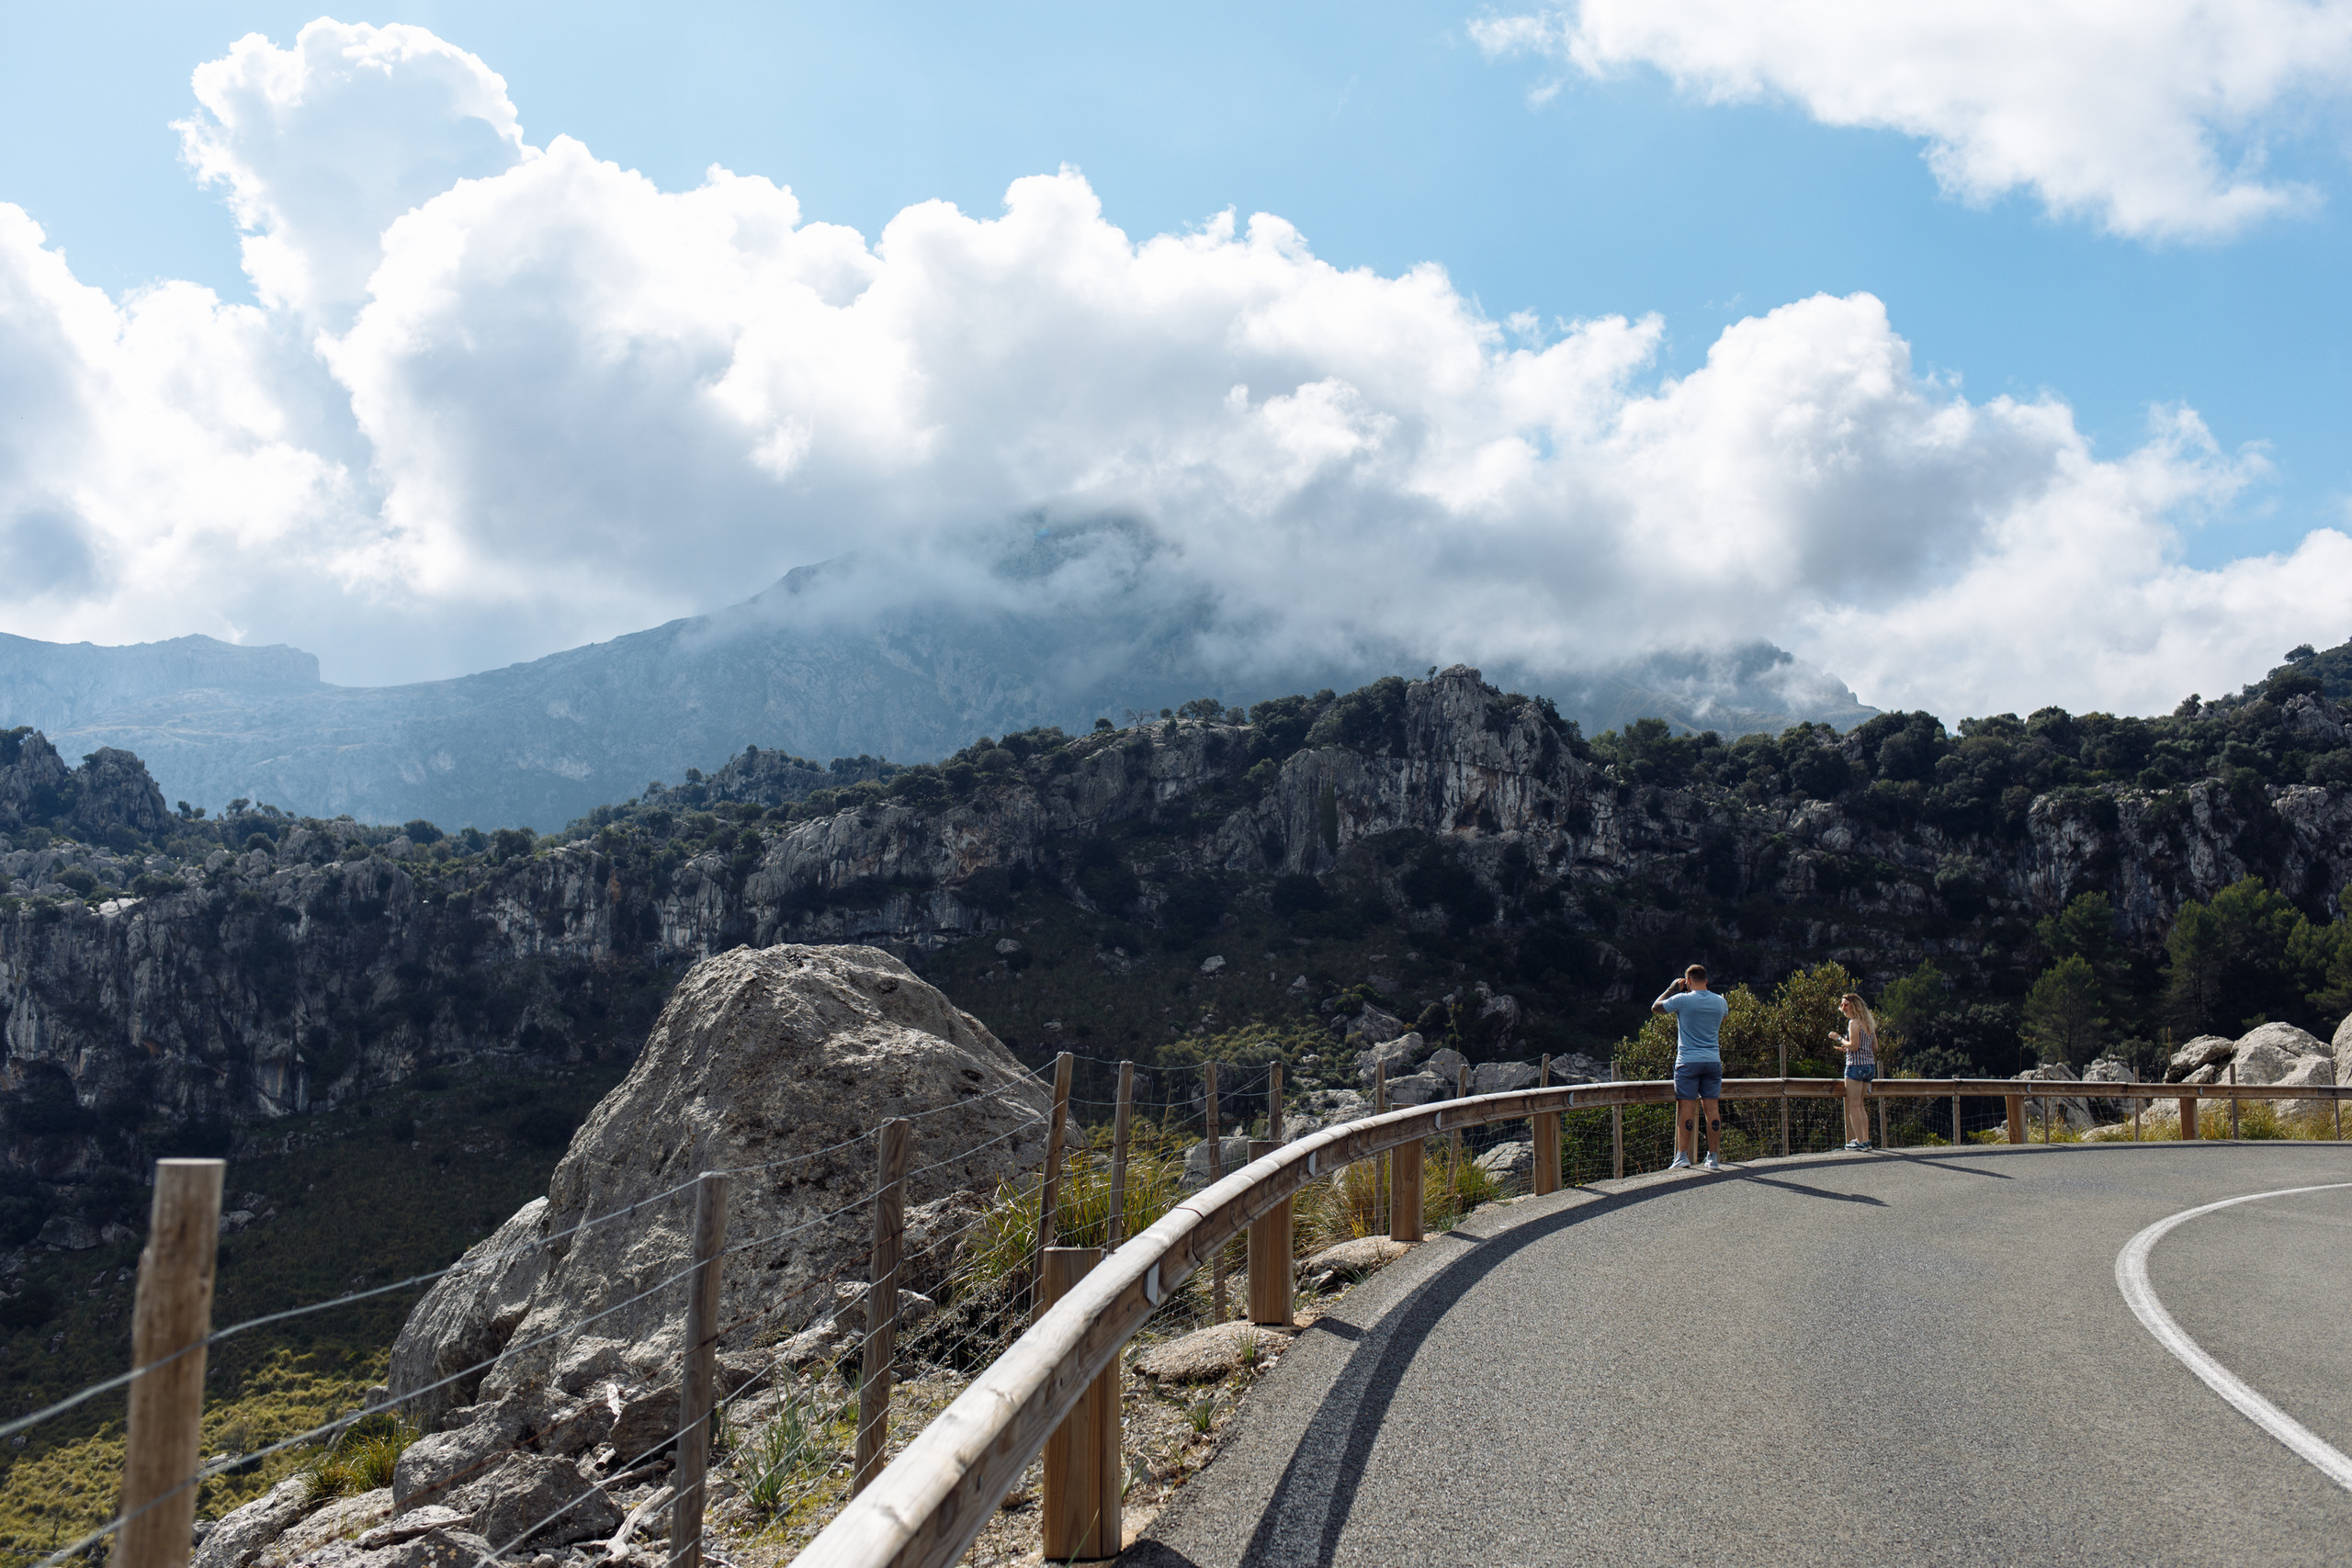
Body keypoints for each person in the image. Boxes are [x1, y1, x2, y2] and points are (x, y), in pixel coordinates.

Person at [1654, 964, 1729, 1170]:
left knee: (1686, 1108)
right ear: (1706, 980)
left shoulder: (1682, 1000)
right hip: (1713, 1060)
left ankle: (1682, 1157)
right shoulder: (1721, 1001)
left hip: (1688, 1061)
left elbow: (1656, 1008)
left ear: (1687, 982)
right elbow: (1723, 1018)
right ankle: (1713, 1158)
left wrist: (1672, 989)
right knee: (1712, 1109)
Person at [1828, 991, 1878, 1150]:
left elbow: (1854, 1046)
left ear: (1854, 1006)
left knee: (1854, 1105)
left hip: (1855, 1067)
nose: (1843, 1008)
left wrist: (1838, 1038)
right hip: (1869, 1066)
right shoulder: (1869, 1023)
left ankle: (1860, 1141)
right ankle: (1866, 1140)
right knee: (1861, 1105)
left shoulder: (1853, 1023)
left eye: (1846, 1004)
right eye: (1842, 1005)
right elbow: (1874, 1047)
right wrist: (1847, 1048)